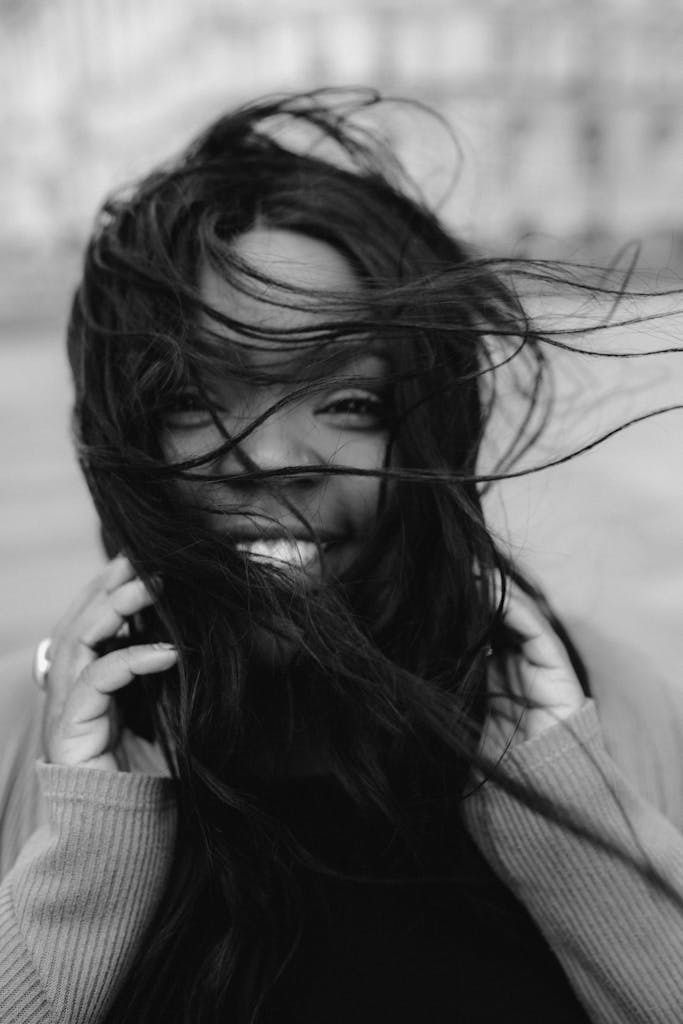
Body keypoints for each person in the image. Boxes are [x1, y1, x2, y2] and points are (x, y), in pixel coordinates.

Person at [1, 89, 683, 1024]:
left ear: (431, 429)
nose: (272, 461)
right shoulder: (21, 740)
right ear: (123, 437)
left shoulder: (605, 704)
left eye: (350, 403)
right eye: (195, 402)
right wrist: (77, 874)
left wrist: (585, 847)